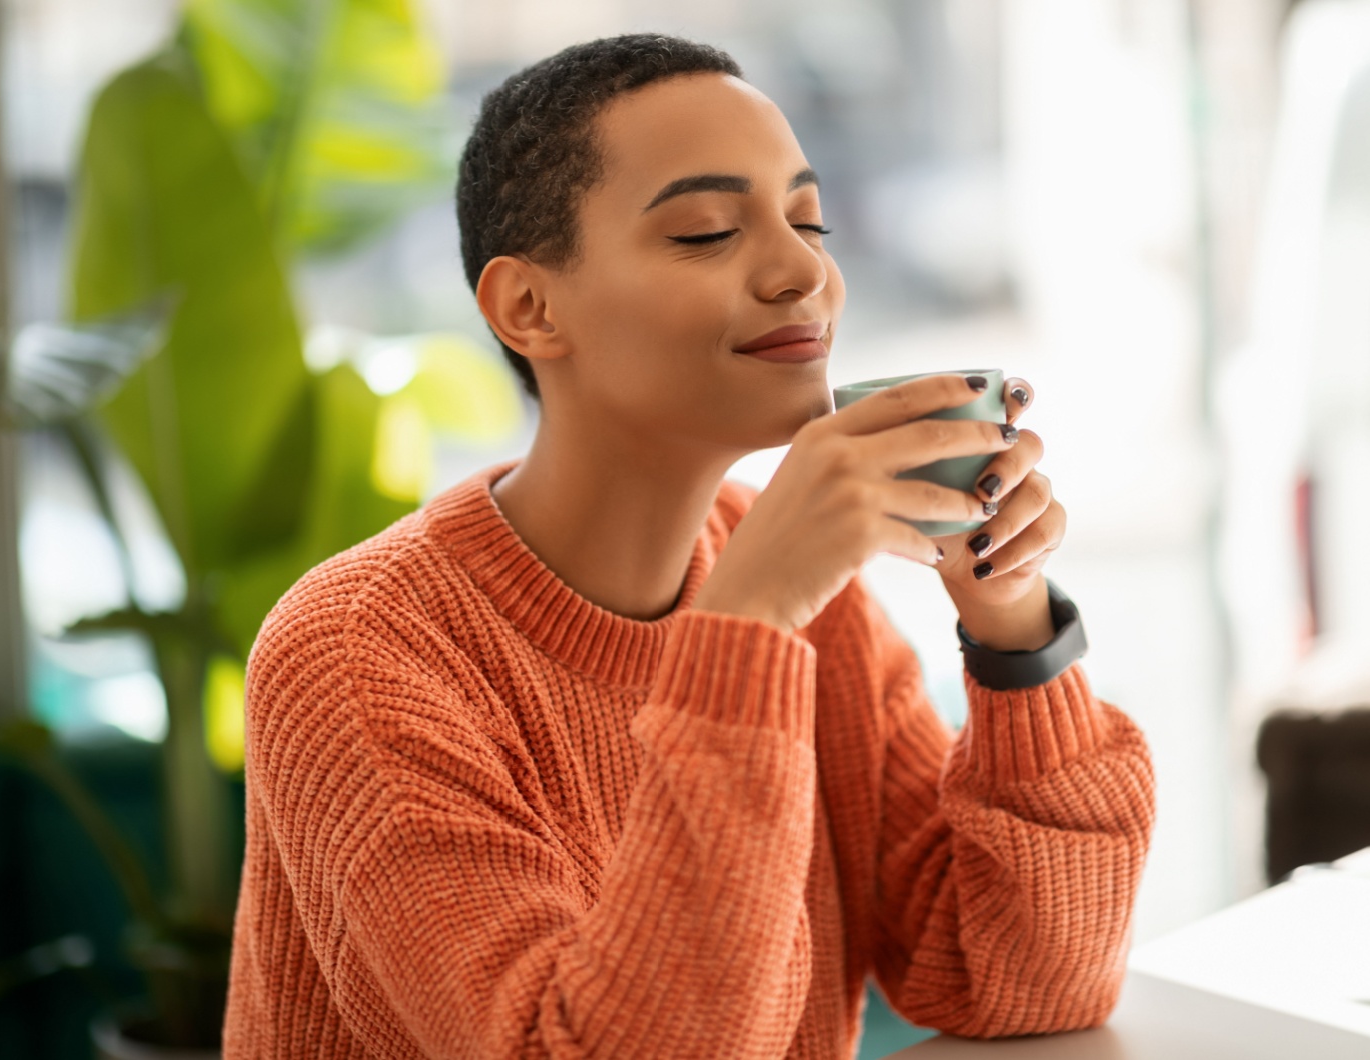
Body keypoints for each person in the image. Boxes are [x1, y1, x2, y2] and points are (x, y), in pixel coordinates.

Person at [223, 33, 1155, 1060]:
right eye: (708, 232)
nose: (804, 269)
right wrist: (744, 629)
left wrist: (1012, 624)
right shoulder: (358, 655)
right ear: (528, 307)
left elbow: (1024, 981)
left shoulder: (810, 600)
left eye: (810, 218)